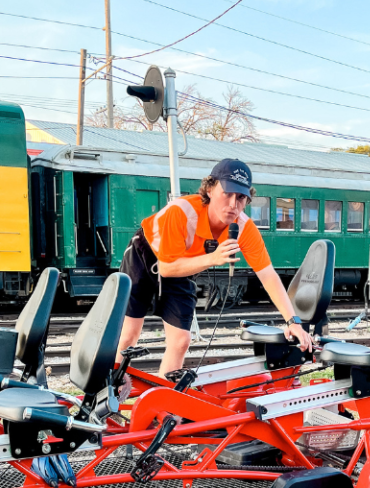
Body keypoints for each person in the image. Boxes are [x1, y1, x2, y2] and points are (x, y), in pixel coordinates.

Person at [117, 158, 314, 376]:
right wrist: (212, 259)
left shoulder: (244, 228)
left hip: (185, 264)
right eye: (227, 194)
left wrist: (293, 320)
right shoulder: (181, 211)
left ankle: (163, 402)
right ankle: (109, 391)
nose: (233, 204)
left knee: (181, 340)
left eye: (241, 197)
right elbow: (166, 268)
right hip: (145, 255)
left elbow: (267, 275)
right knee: (128, 335)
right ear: (210, 189)